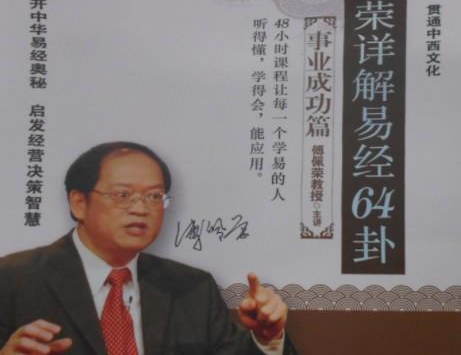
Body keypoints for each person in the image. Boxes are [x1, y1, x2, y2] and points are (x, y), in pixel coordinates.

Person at [0, 142, 298, 354]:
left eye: (154, 197)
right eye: (122, 195)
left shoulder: (192, 288)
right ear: (79, 203)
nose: (140, 209)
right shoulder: (13, 279)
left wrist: (267, 338)